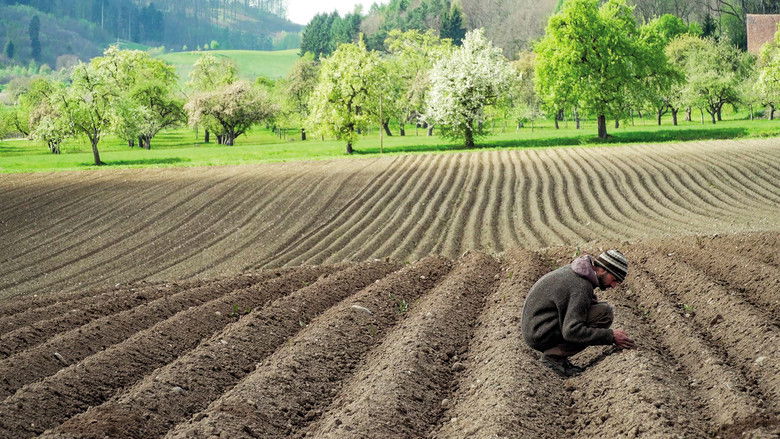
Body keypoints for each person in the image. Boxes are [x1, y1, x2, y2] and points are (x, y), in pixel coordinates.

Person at [521, 249, 636, 377]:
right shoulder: (581, 286)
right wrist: (610, 336)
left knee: (598, 310)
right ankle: (554, 358)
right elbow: (572, 331)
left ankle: (558, 357)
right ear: (602, 269)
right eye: (614, 279)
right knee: (604, 314)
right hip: (539, 333)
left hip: (537, 328)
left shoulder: (577, 273)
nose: (614, 285)